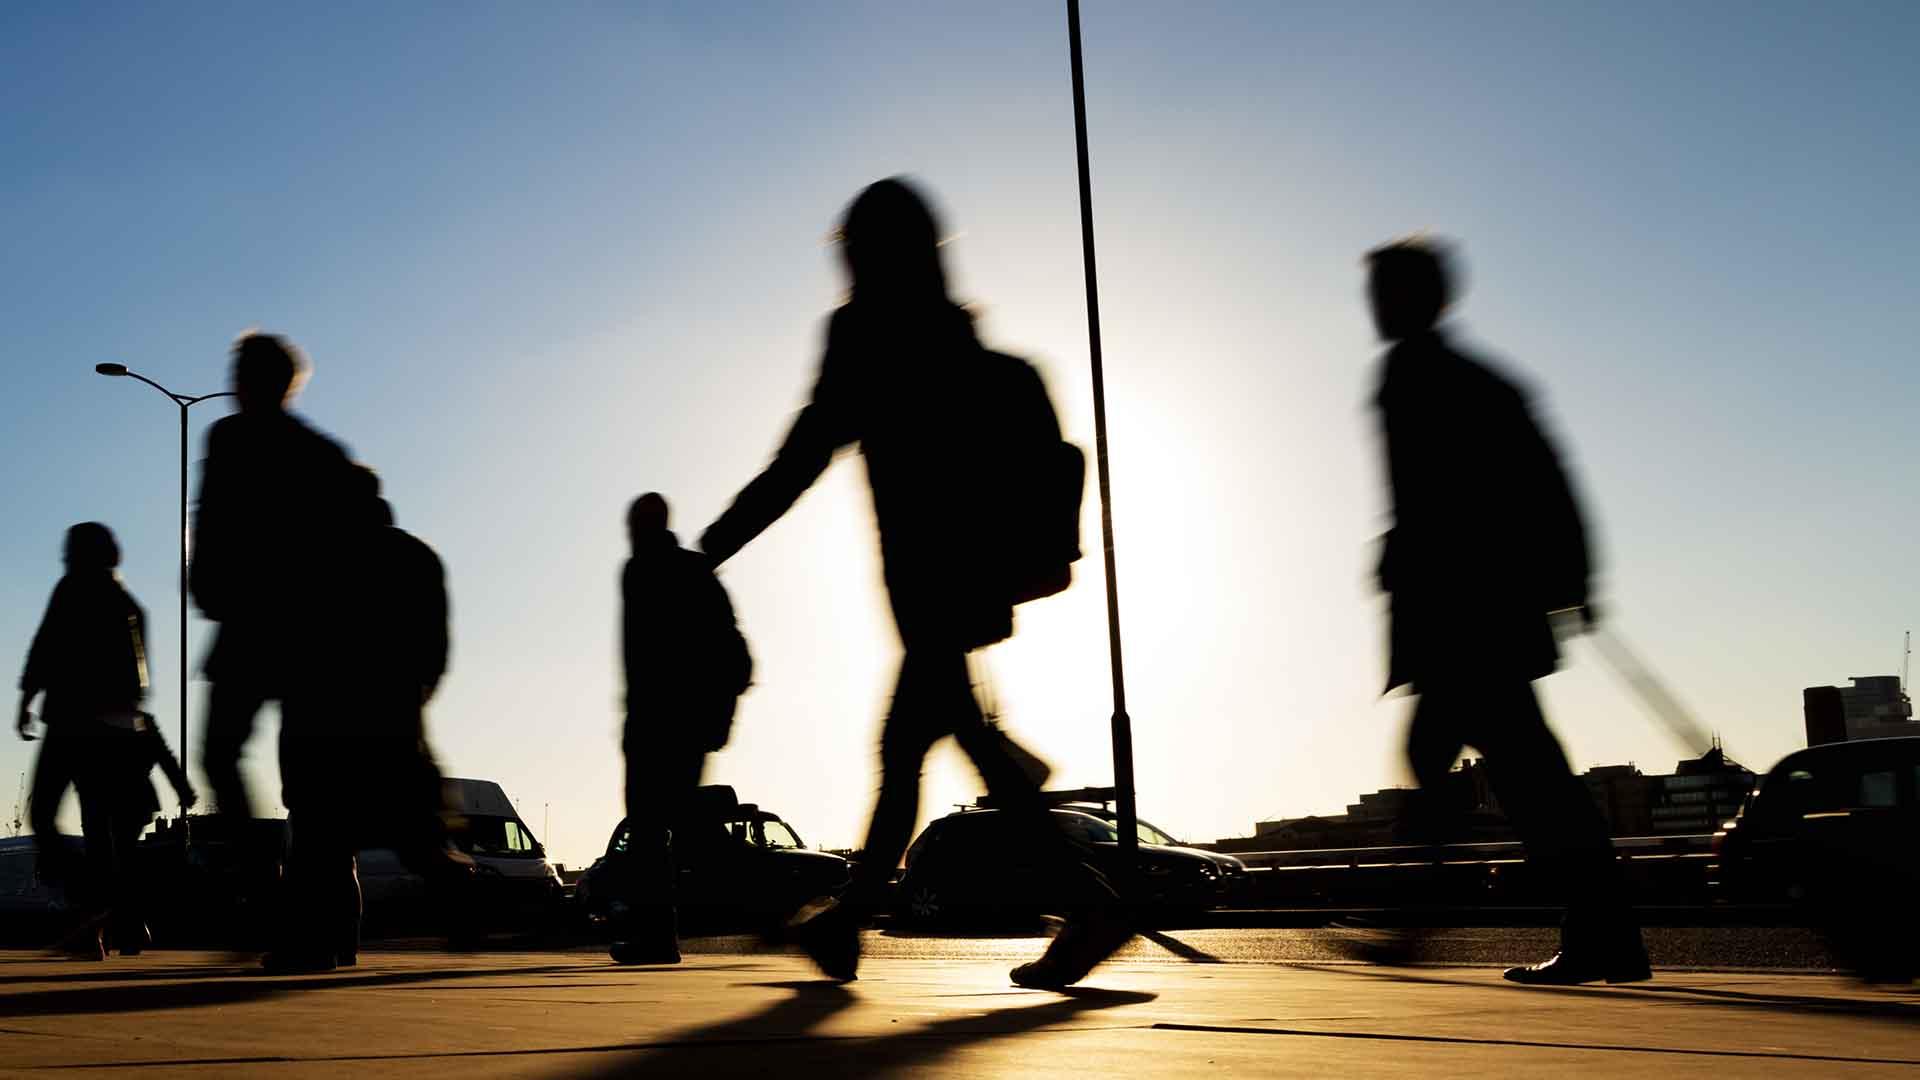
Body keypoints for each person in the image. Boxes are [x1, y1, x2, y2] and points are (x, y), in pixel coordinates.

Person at [701, 177, 1127, 987]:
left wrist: (716, 542)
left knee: (936, 748)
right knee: (911, 750)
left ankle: (1086, 905)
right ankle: (850, 919)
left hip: (934, 587)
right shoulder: (957, 336)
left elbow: (802, 456)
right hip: (969, 584)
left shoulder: (866, 333)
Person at [1365, 237, 1649, 985]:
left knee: (1492, 769)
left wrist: (1412, 552)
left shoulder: (1421, 375)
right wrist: (1575, 581)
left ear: (1420, 297)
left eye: (1386, 290)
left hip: (1466, 617)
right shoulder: (1476, 380)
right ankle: (1599, 933)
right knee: (1520, 772)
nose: (1375, 306)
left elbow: (1457, 499)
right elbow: (1547, 482)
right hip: (1484, 612)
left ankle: (1421, 920)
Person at [264, 469, 470, 973]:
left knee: (318, 838)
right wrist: (414, 696)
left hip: (326, 720)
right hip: (393, 717)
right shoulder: (419, 557)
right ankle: (455, 891)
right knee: (408, 833)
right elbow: (436, 649)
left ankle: (313, 946)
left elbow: (294, 642)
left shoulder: (319, 558)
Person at [191, 332, 357, 825]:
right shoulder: (324, 454)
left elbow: (212, 520)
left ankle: (263, 873)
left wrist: (208, 587)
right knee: (306, 776)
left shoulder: (228, 438)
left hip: (252, 624)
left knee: (221, 755)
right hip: (311, 633)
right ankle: (308, 883)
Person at [16, 523, 196, 958]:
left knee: (47, 815)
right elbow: (140, 685)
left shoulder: (71, 590)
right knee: (101, 834)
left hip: (70, 724)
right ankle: (117, 921)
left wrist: (27, 696)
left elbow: (45, 646)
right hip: (107, 734)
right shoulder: (130, 605)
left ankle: (95, 908)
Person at [610, 492, 752, 965]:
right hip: (677, 723)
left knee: (655, 827)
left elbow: (730, 654)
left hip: (661, 723)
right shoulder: (688, 571)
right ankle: (659, 937)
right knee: (667, 825)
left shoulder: (647, 572)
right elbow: (735, 653)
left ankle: (658, 937)